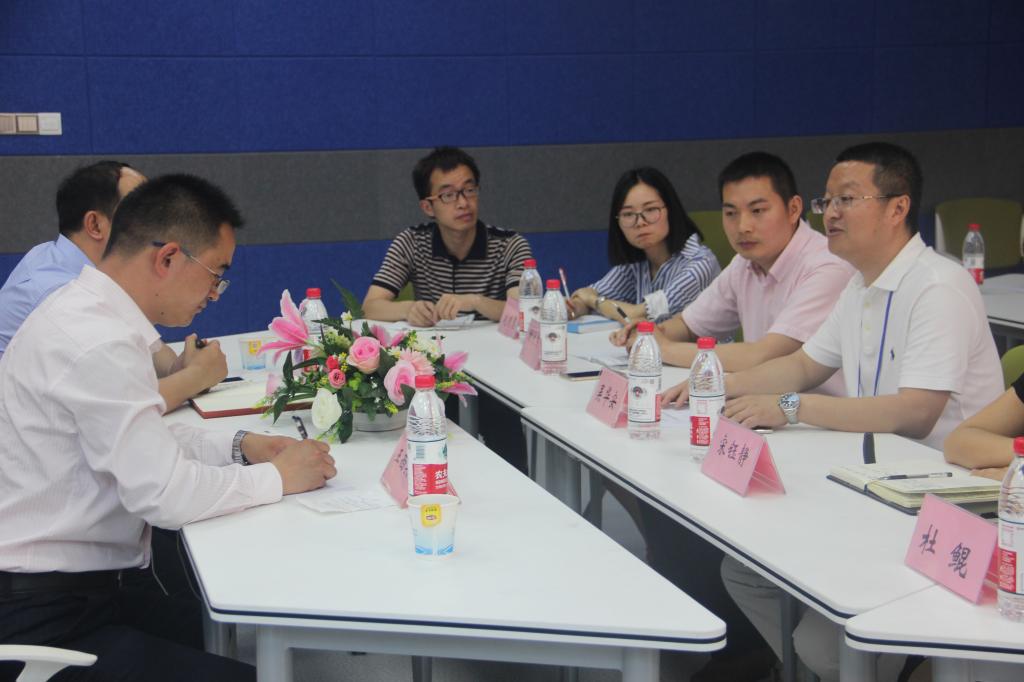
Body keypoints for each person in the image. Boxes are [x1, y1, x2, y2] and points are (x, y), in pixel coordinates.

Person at [0, 174, 337, 682]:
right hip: (45, 619)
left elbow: (137, 440)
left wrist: (242, 445)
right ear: (168, 258)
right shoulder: (96, 339)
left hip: (83, 590)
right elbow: (165, 494)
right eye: (216, 274)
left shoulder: (92, 314)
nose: (216, 294)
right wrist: (278, 477)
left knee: (229, 636)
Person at [713, 142, 1004, 681]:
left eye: (847, 199)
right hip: (877, 484)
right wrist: (713, 386)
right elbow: (803, 365)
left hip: (945, 502)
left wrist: (792, 408)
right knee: (746, 572)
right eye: (828, 201)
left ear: (898, 208)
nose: (832, 213)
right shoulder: (859, 284)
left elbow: (916, 414)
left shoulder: (938, 286)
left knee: (824, 646)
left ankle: (901, 661)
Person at [615, 153, 853, 392]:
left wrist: (664, 348)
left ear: (793, 209)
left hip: (818, 412)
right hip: (764, 403)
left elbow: (764, 356)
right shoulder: (744, 263)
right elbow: (689, 325)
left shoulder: (827, 266)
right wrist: (650, 334)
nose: (742, 227)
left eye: (757, 211)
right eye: (731, 213)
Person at [0, 161, 225, 411]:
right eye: (139, 213)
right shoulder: (59, 293)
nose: (157, 225)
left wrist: (182, 368)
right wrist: (195, 377)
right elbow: (122, 405)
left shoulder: (67, 262)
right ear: (95, 225)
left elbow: (154, 356)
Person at [363, 146, 533, 326]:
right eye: (448, 195)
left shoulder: (510, 245)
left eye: (469, 190)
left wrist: (476, 301)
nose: (463, 203)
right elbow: (369, 307)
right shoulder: (411, 242)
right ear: (428, 207)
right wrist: (409, 309)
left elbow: (525, 311)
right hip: (435, 342)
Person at [569, 167, 719, 323]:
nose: (640, 222)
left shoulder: (700, 264)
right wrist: (574, 307)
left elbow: (638, 315)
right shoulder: (636, 264)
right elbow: (589, 294)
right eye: (628, 214)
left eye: (650, 209)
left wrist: (593, 301)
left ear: (671, 210)